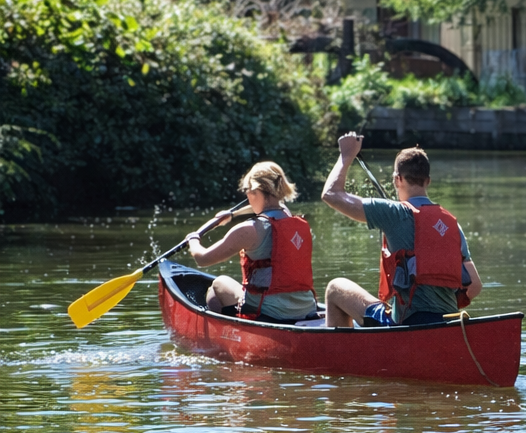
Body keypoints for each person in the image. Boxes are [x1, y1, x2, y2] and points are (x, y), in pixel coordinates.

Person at [318, 133, 482, 327]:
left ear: (397, 180)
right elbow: (475, 286)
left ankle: (342, 355)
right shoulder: (451, 224)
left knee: (335, 288)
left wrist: (346, 155)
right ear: (427, 181)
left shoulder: (394, 212)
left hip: (406, 324)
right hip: (446, 321)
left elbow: (331, 195)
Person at [184, 162, 318, 324]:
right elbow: (274, 206)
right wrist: (233, 214)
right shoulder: (291, 218)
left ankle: (222, 335)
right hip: (306, 308)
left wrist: (193, 240)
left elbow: (203, 259)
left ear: (255, 191)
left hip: (268, 310)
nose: (246, 195)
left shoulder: (248, 230)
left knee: (219, 283)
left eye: (247, 191)